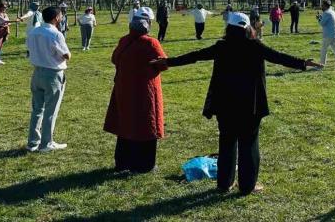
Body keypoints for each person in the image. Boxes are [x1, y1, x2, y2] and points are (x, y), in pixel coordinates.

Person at [151, 12, 322, 194]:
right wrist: (303, 63)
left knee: (227, 143)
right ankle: (247, 186)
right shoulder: (255, 46)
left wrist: (168, 62)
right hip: (250, 105)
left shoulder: (222, 46)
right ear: (248, 28)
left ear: (229, 27)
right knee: (249, 145)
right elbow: (279, 57)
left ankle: (224, 184)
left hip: (225, 104)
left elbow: (195, 56)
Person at [104, 13, 167, 173]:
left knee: (125, 123)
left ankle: (123, 162)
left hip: (124, 88)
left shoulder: (124, 40)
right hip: (145, 90)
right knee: (147, 124)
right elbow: (163, 64)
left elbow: (114, 58)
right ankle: (144, 165)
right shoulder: (150, 42)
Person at [26, 6, 71, 153]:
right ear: (56, 18)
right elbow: (66, 54)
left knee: (37, 109)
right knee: (51, 110)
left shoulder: (34, 31)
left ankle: (33, 142)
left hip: (37, 72)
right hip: (53, 73)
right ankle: (46, 143)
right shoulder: (55, 34)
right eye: (60, 15)